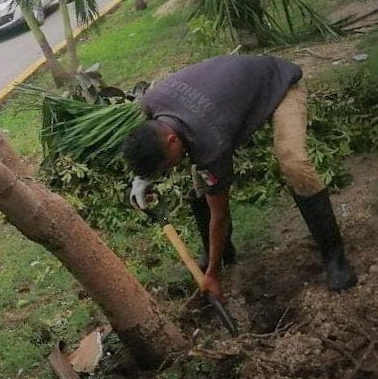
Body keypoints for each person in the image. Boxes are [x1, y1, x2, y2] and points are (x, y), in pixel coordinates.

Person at [123, 54, 358, 299]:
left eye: (167, 165)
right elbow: (148, 135)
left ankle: (335, 258)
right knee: (199, 180)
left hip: (279, 84)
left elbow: (220, 214)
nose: (170, 169)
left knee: (293, 162)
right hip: (235, 92)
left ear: (172, 141)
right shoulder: (152, 100)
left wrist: (211, 275)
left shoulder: (209, 144)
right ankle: (223, 254)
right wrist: (143, 177)